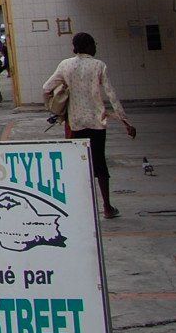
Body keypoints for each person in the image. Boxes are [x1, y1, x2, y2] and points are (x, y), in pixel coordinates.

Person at [41, 33, 136, 219]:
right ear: (89, 45)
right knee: (100, 163)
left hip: (75, 123)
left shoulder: (65, 65)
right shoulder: (99, 65)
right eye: (94, 43)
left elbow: (46, 87)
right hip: (96, 122)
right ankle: (107, 207)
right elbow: (111, 95)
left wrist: (57, 105)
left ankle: (82, 209)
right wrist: (126, 122)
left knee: (79, 165)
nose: (96, 47)